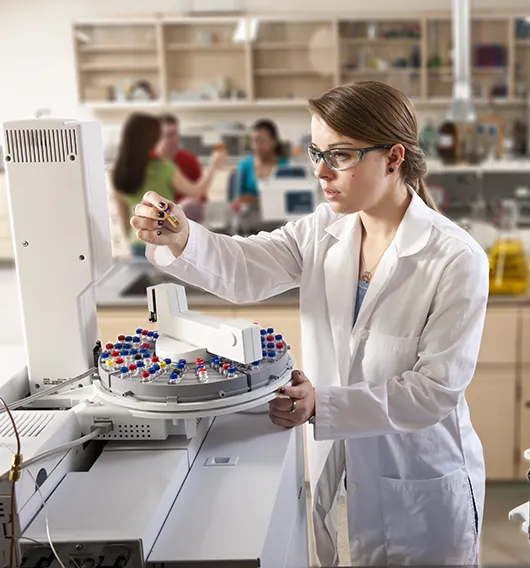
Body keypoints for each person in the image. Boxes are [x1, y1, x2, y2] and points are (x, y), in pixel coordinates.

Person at [129, 81, 489, 566]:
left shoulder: (454, 258)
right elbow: (245, 267)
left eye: (340, 155)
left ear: (393, 157)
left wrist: (324, 403)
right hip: (340, 471)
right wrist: (180, 235)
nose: (320, 171)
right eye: (316, 151)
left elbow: (434, 392)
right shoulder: (325, 229)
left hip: (420, 487)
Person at [112, 112, 224, 258]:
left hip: (138, 242)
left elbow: (124, 218)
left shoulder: (118, 173)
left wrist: (133, 238)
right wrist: (213, 165)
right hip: (162, 241)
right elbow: (197, 191)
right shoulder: (163, 168)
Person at [157, 113, 209, 222]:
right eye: (169, 135)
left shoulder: (189, 160)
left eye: (176, 134)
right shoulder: (150, 164)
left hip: (186, 221)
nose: (174, 139)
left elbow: (201, 198)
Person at [231, 119, 290, 206]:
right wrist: (268, 200)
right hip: (248, 217)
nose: (255, 146)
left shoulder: (284, 166)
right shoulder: (244, 165)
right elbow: (238, 200)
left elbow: (286, 200)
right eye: (253, 141)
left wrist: (252, 199)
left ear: (274, 141)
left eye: (261, 141)